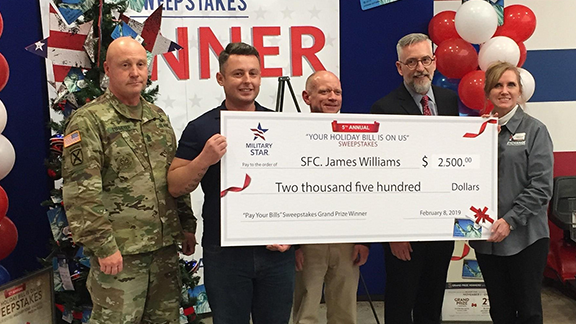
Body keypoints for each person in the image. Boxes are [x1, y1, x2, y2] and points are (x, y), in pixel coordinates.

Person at [62, 36, 197, 324]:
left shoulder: (158, 118)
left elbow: (173, 177)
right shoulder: (90, 121)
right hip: (121, 254)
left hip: (163, 251)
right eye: (125, 65)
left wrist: (186, 225)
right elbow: (80, 192)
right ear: (108, 70)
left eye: (140, 64)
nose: (135, 72)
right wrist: (104, 247)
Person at [167, 42, 295, 324]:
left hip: (275, 253)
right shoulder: (201, 127)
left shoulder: (281, 124)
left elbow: (295, 187)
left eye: (253, 73)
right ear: (220, 79)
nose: (247, 81)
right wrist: (204, 159)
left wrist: (291, 236)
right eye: (238, 74)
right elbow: (175, 185)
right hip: (224, 252)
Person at [370, 33, 457, 324]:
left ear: (434, 62)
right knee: (400, 301)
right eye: (411, 62)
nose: (419, 67)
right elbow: (380, 176)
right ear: (399, 67)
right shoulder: (384, 108)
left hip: (441, 225)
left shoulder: (448, 101)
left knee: (432, 301)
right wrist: (393, 232)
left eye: (424, 60)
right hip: (404, 231)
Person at [469, 61, 553, 324]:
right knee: (500, 310)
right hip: (487, 240)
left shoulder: (535, 130)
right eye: (497, 85)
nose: (504, 91)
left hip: (526, 238)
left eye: (510, 85)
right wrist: (479, 139)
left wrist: (511, 220)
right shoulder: (478, 132)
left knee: (528, 311)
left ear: (520, 91)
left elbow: (541, 187)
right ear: (488, 92)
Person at [292, 71, 370, 324]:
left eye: (337, 92)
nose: (332, 97)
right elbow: (286, 191)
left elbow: (366, 190)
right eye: (324, 92)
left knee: (345, 312)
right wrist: (294, 245)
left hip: (347, 241)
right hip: (309, 242)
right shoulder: (292, 137)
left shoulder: (357, 139)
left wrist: (364, 240)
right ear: (307, 96)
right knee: (306, 312)